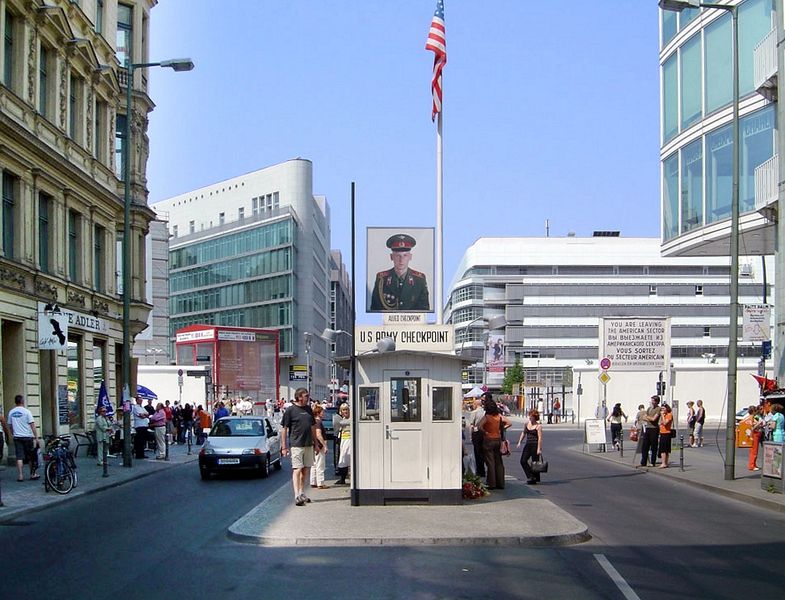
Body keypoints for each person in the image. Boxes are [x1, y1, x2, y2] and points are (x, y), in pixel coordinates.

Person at [370, 233, 430, 311]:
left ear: (410, 257)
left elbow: (424, 310)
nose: (401, 260)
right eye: (397, 256)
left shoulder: (419, 280)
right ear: (391, 257)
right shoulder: (381, 279)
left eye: (405, 256)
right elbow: (375, 309)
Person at [281, 387, 318, 506]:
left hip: (308, 444)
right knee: (297, 469)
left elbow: (313, 427)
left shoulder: (308, 409)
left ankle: (302, 492)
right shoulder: (290, 410)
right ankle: (296, 495)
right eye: (306, 396)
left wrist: (316, 443)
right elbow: (284, 429)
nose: (308, 398)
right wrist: (284, 447)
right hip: (296, 444)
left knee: (305, 470)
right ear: (299, 397)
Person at [477, 392, 510, 490]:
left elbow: (479, 426)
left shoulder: (487, 417)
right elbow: (509, 422)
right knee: (499, 462)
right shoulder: (498, 417)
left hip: (489, 440)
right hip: (498, 439)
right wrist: (501, 429)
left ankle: (492, 483)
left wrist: (485, 432)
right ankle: (501, 483)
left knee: (490, 462)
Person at [7, 394, 40, 481]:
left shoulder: (11, 412)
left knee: (19, 457)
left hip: (17, 437)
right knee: (30, 456)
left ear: (15, 402)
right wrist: (36, 437)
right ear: (22, 401)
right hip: (27, 437)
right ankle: (32, 474)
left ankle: (20, 476)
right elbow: (32, 425)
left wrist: (13, 433)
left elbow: (10, 425)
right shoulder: (27, 412)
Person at [517, 408, 543, 485]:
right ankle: (530, 476)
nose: (530, 418)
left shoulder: (538, 426)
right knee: (523, 461)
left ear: (535, 417)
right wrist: (519, 442)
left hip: (535, 445)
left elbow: (540, 438)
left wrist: (539, 449)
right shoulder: (526, 424)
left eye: (531, 416)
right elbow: (523, 433)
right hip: (528, 444)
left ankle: (534, 478)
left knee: (535, 463)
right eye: (529, 416)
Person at [309, 404, 329, 489]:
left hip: (312, 445)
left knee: (313, 464)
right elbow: (318, 434)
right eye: (322, 412)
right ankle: (320, 483)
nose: (323, 413)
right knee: (320, 465)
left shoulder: (313, 422)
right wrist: (324, 445)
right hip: (319, 446)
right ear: (318, 413)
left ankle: (313, 481)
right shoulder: (318, 422)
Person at [639, 395, 661, 468]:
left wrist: (648, 418)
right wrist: (649, 418)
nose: (652, 402)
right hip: (648, 427)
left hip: (654, 428)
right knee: (645, 446)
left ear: (657, 401)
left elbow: (654, 419)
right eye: (652, 400)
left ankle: (653, 462)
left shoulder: (658, 409)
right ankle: (643, 462)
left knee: (653, 446)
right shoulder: (649, 408)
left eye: (653, 400)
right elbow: (643, 417)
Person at [467, 397, 485, 477]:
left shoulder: (474, 412)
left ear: (476, 404)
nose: (472, 405)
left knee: (477, 453)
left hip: (477, 433)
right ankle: (483, 470)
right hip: (484, 433)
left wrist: (470, 436)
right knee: (483, 452)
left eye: (473, 404)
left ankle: (479, 471)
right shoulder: (485, 412)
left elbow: (471, 425)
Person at [336, 403, 352, 485]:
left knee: (347, 458)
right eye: (343, 410)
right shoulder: (342, 418)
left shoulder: (350, 418)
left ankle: (349, 478)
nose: (345, 411)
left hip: (349, 439)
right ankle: (342, 478)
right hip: (343, 440)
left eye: (346, 409)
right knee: (342, 458)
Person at [657, 403, 674, 469]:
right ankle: (665, 463)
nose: (662, 410)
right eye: (661, 409)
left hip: (666, 433)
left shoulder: (669, 415)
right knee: (664, 449)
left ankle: (664, 463)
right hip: (662, 432)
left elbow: (665, 423)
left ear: (667, 408)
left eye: (663, 408)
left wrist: (662, 415)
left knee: (664, 450)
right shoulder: (665, 415)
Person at [748, 405, 764, 471]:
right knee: (754, 451)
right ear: (753, 411)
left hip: (756, 434)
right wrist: (759, 424)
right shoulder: (752, 418)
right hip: (755, 435)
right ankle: (752, 465)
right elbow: (753, 427)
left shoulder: (753, 417)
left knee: (755, 450)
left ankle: (753, 464)